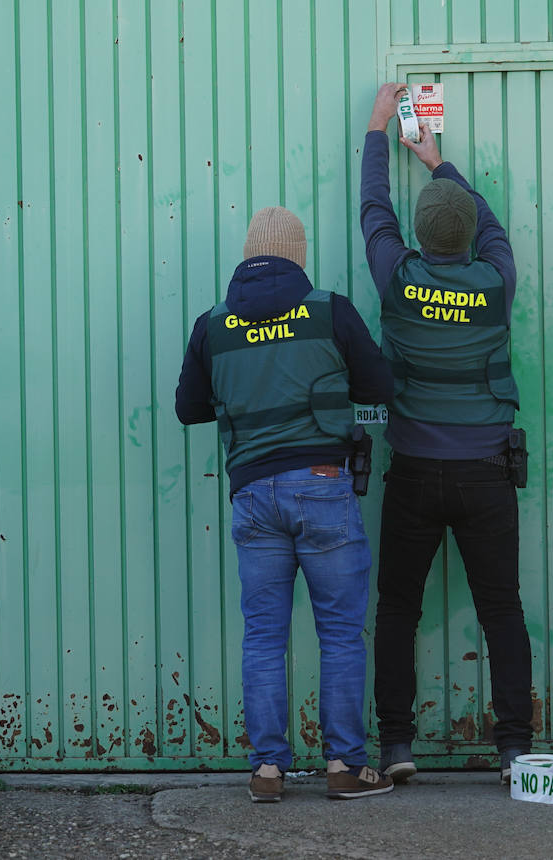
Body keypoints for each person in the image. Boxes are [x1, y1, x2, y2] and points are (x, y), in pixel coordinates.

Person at [175, 206, 396, 802]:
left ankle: (267, 771)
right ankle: (345, 766)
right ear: (298, 255)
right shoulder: (329, 310)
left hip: (253, 495)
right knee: (342, 636)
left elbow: (188, 408)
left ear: (248, 255)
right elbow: (380, 387)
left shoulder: (213, 325)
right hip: (324, 485)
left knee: (264, 638)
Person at [359, 83, 533, 784]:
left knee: (398, 608)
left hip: (414, 473)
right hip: (487, 472)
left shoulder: (397, 277)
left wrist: (377, 129)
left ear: (420, 237)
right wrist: (439, 164)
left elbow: (373, 212)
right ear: (467, 238)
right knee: (502, 609)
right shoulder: (497, 280)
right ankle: (516, 749)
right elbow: (488, 224)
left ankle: (397, 747)